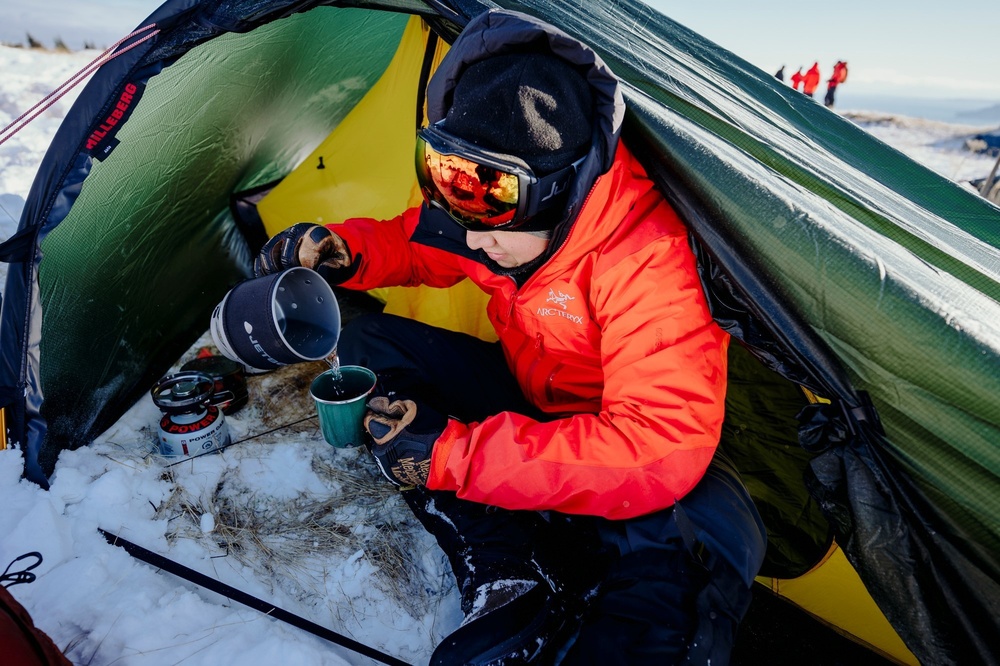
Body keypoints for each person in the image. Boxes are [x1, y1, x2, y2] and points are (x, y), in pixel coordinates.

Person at [255, 9, 766, 665]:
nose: (470, 238)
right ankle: (511, 571)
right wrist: (343, 251)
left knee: (681, 577)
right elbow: (421, 240)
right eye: (448, 184)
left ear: (560, 194)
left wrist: (458, 457)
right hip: (528, 402)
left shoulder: (646, 256)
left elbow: (656, 445)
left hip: (639, 463)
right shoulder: (495, 212)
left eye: (487, 220)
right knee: (372, 349)